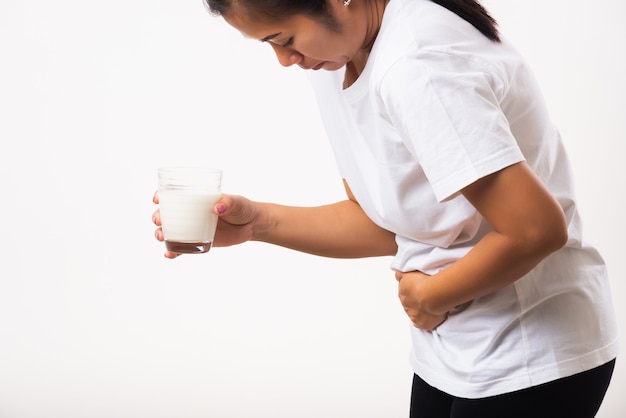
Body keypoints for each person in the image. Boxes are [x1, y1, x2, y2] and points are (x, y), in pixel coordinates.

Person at [152, 0, 619, 416]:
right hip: (452, 353)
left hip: (531, 354)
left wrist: (432, 296)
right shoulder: (339, 61)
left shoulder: (417, 65)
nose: (284, 60)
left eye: (285, 39)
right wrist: (257, 222)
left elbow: (535, 231)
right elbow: (384, 222)